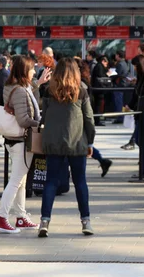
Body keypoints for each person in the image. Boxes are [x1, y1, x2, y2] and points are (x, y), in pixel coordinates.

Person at [39, 58, 96, 238]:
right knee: (80, 182)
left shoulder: (49, 91)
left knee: (51, 182)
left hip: (53, 142)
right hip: (77, 142)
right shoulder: (81, 91)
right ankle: (85, 221)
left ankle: (44, 221)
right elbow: (89, 119)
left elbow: (44, 116)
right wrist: (91, 142)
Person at [0, 56, 49, 234]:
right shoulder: (19, 90)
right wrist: (40, 124)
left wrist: (38, 83)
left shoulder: (16, 87)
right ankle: (2, 218)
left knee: (21, 181)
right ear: (25, 71)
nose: (34, 71)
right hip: (21, 142)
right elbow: (23, 119)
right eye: (32, 69)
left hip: (15, 141)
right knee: (16, 181)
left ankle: (21, 216)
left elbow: (27, 93)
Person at [91, 55, 110, 127]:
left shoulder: (98, 66)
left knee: (97, 105)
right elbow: (101, 76)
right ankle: (97, 120)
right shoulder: (99, 66)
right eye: (106, 63)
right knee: (97, 105)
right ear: (103, 61)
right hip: (98, 88)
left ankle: (97, 119)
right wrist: (107, 74)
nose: (106, 65)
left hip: (98, 88)